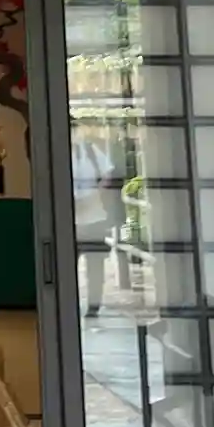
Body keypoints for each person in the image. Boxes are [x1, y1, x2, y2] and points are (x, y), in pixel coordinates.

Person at [72, 126, 122, 316]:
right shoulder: (58, 152)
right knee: (67, 265)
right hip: (70, 219)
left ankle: (94, 306)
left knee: (95, 264)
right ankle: (69, 303)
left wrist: (96, 192)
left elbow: (108, 172)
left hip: (94, 218)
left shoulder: (90, 150)